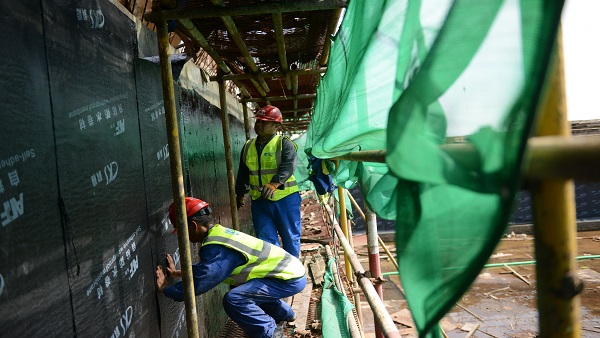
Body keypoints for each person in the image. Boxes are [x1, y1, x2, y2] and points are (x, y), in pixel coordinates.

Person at [156, 197, 306, 338]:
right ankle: (286, 314)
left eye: (183, 231)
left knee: (234, 298)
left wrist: (166, 288)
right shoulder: (220, 234)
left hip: (287, 279)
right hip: (290, 273)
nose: (183, 237)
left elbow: (203, 281)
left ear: (193, 226)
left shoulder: (217, 247)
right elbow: (208, 269)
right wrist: (179, 273)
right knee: (248, 291)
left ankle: (270, 333)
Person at [235, 105, 302, 257]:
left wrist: (274, 184)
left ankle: (293, 275)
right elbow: (243, 172)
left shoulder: (283, 143)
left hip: (285, 199)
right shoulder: (248, 146)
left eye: (264, 122)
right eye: (258, 121)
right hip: (260, 201)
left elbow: (289, 165)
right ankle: (275, 274)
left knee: (290, 237)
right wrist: (240, 193)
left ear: (276, 126)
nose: (259, 125)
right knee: (266, 241)